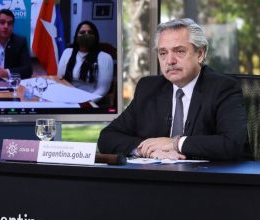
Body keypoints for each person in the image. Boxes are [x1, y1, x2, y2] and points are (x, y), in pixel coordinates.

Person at [98, 18, 252, 161]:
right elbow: (107, 137)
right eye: (163, 53)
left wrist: (175, 144)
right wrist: (145, 149)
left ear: (200, 54)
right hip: (155, 180)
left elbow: (232, 143)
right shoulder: (148, 88)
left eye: (179, 51)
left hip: (206, 182)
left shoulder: (223, 88)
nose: (170, 61)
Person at [57, 20, 113, 102]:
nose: (86, 35)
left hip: (89, 100)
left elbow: (102, 89)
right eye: (82, 32)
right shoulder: (67, 52)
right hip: (67, 97)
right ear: (76, 36)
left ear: (95, 36)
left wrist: (85, 103)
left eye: (90, 32)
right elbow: (60, 78)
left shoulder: (105, 58)